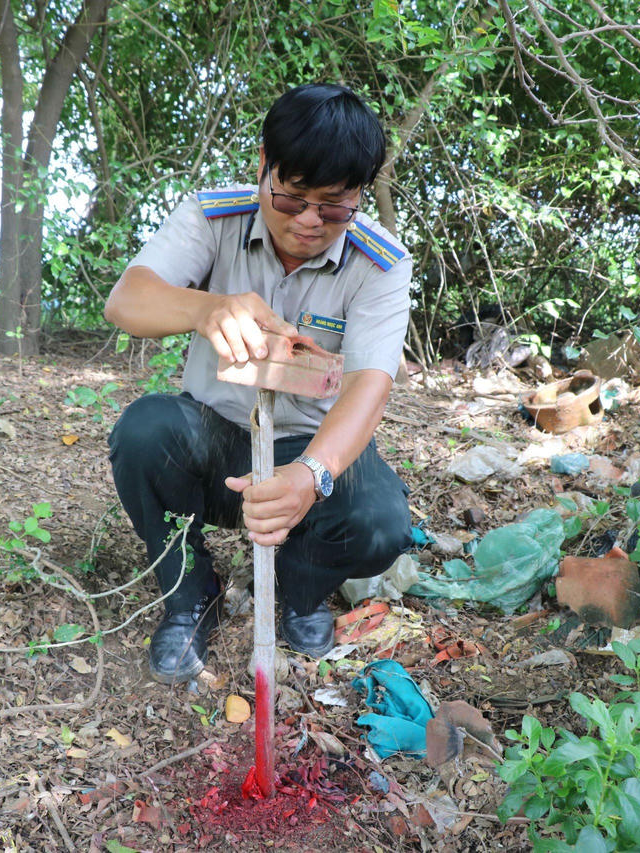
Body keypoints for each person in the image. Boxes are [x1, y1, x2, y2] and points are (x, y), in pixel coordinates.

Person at [105, 82, 413, 684]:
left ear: (359, 194)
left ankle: (300, 590)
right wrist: (204, 309)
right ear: (263, 166)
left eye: (333, 205)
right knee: (144, 432)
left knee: (381, 522)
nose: (308, 222)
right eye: (291, 197)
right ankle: (193, 592)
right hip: (213, 440)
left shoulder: (382, 262)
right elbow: (127, 301)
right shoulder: (212, 216)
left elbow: (370, 383)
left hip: (303, 447)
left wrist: (311, 475)